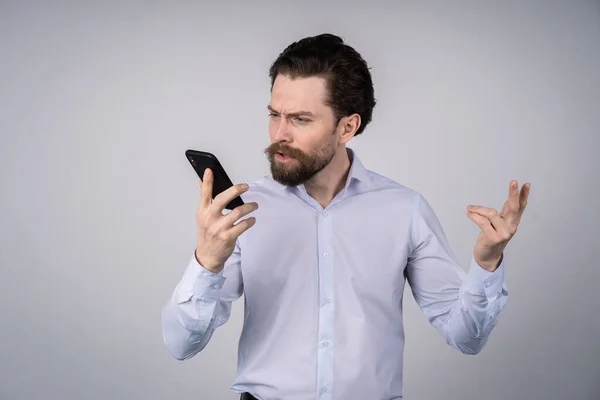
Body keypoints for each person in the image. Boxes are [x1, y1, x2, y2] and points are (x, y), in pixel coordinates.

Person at [161, 33, 531, 400]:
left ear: (348, 127)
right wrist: (206, 263)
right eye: (275, 115)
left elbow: (466, 336)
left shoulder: (403, 210)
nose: (280, 134)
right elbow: (181, 344)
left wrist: (486, 264)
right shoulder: (245, 212)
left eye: (301, 119)